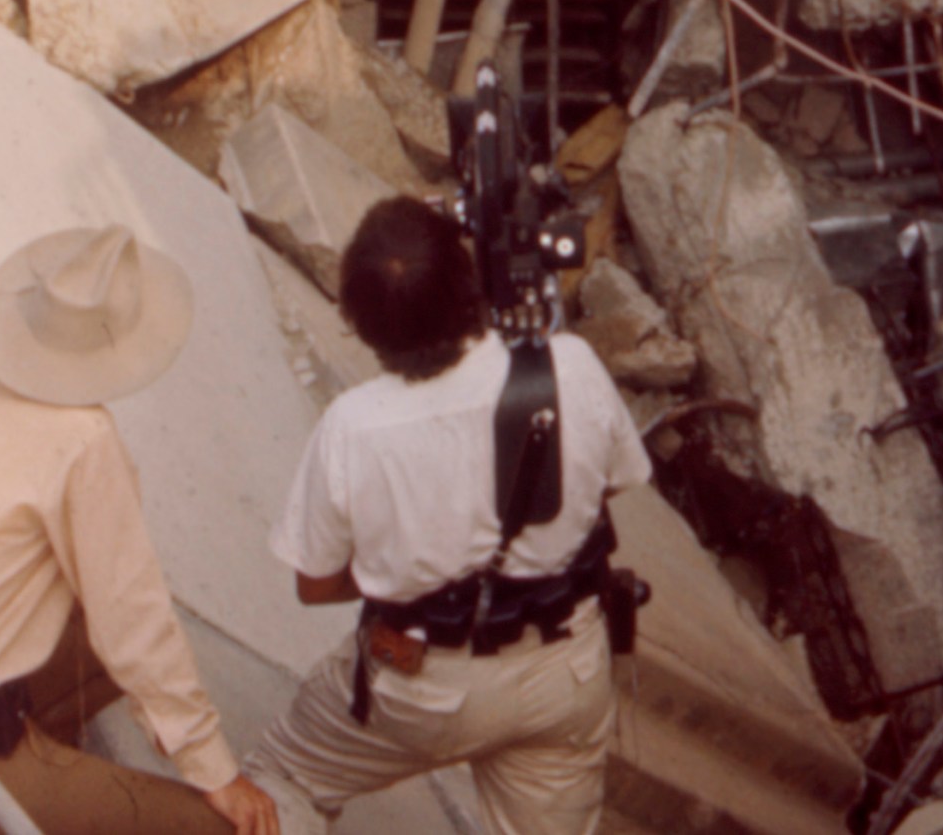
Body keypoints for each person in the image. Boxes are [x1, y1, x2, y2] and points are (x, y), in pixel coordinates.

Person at [0, 222, 279, 835]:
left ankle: (37, 766)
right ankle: (15, 796)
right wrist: (215, 772)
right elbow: (135, 623)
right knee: (218, 830)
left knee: (85, 617)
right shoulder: (81, 441)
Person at [247, 199, 650, 835]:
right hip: (563, 672)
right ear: (468, 286)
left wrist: (411, 568)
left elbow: (315, 584)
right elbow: (618, 481)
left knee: (278, 781)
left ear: (362, 324)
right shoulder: (569, 367)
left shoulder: (352, 427)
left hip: (419, 684)